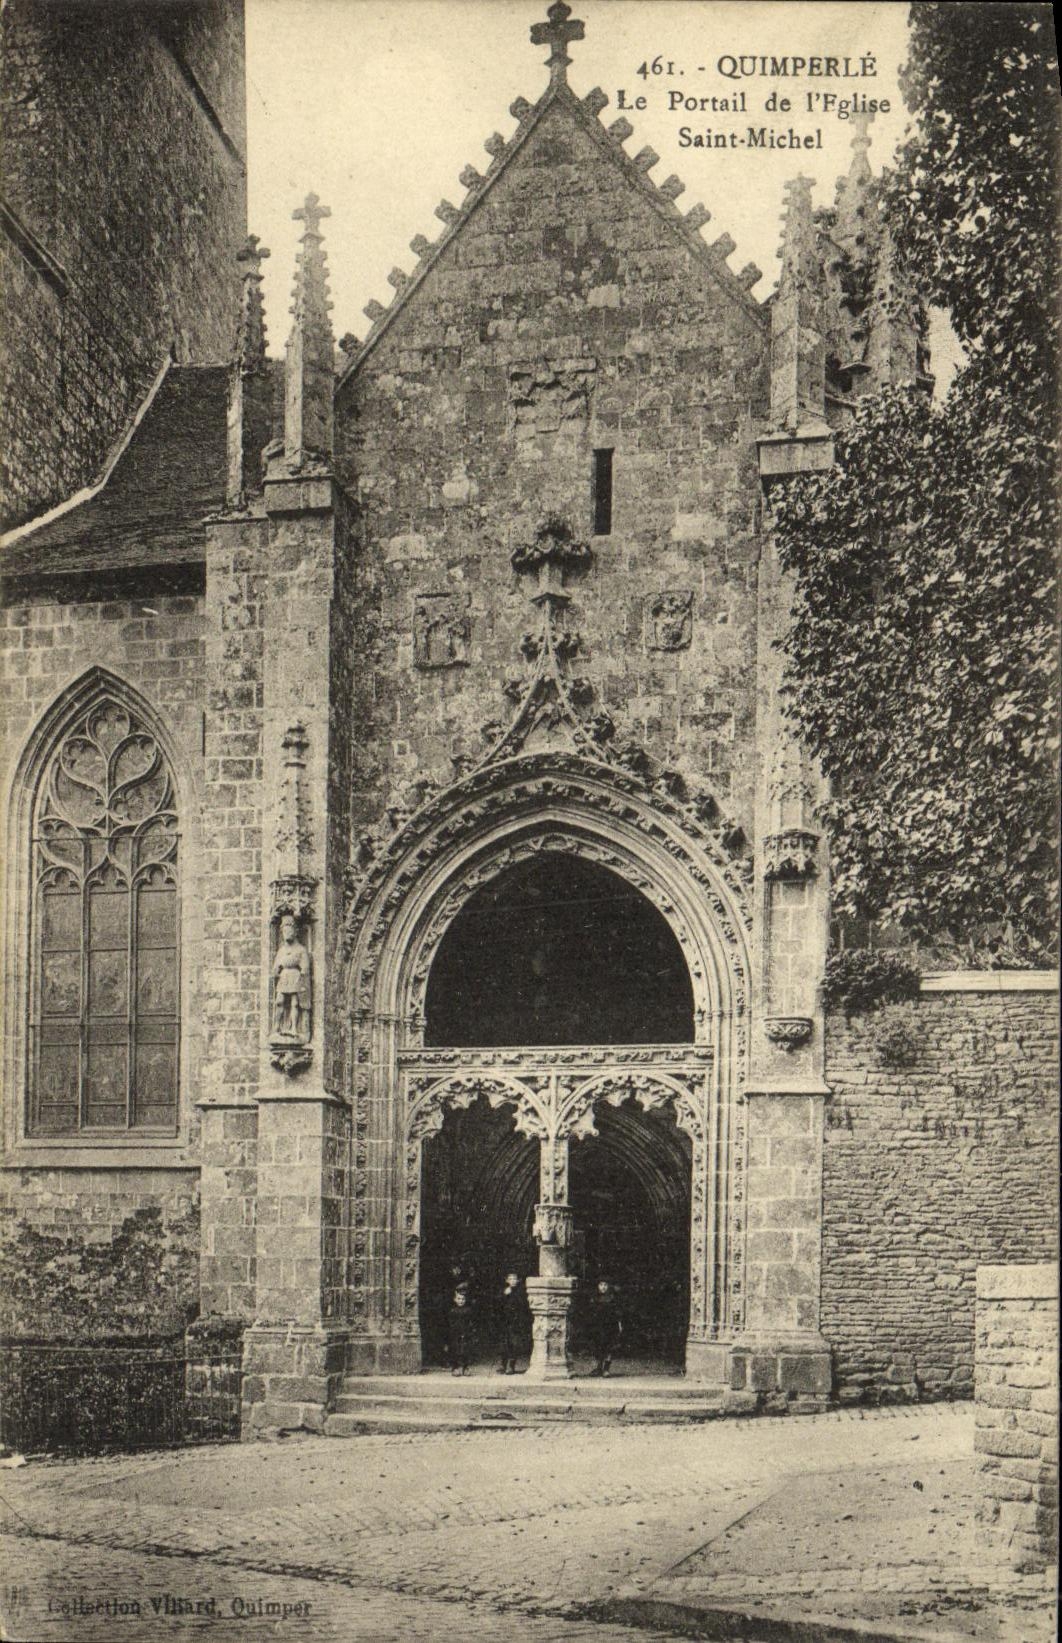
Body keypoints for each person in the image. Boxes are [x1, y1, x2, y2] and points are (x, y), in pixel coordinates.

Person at [587, 1278, 622, 1377]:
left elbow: (618, 1312)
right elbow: (590, 1312)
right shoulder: (594, 1297)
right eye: (601, 1285)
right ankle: (598, 1368)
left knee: (609, 1347)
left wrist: (619, 1324)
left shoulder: (612, 1298)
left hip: (610, 1325)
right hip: (597, 1326)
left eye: (605, 1285)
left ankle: (606, 1369)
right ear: (598, 1286)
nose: (603, 1287)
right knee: (597, 1346)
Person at [497, 1272, 527, 1374]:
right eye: (510, 1279)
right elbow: (498, 1305)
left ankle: (511, 1365)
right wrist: (504, 1295)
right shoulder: (504, 1291)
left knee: (514, 1343)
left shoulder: (521, 1291)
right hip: (505, 1321)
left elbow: (522, 1305)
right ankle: (503, 1364)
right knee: (504, 1343)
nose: (513, 1281)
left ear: (518, 1280)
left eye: (515, 1279)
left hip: (516, 1321)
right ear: (507, 1280)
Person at [447, 1282, 473, 1376]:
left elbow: (470, 1322)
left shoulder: (468, 1310)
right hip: (455, 1334)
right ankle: (455, 1367)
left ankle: (466, 1367)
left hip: (465, 1333)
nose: (461, 1301)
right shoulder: (452, 1311)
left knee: (465, 1350)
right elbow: (450, 1324)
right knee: (455, 1350)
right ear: (455, 1299)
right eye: (458, 1299)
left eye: (463, 1299)